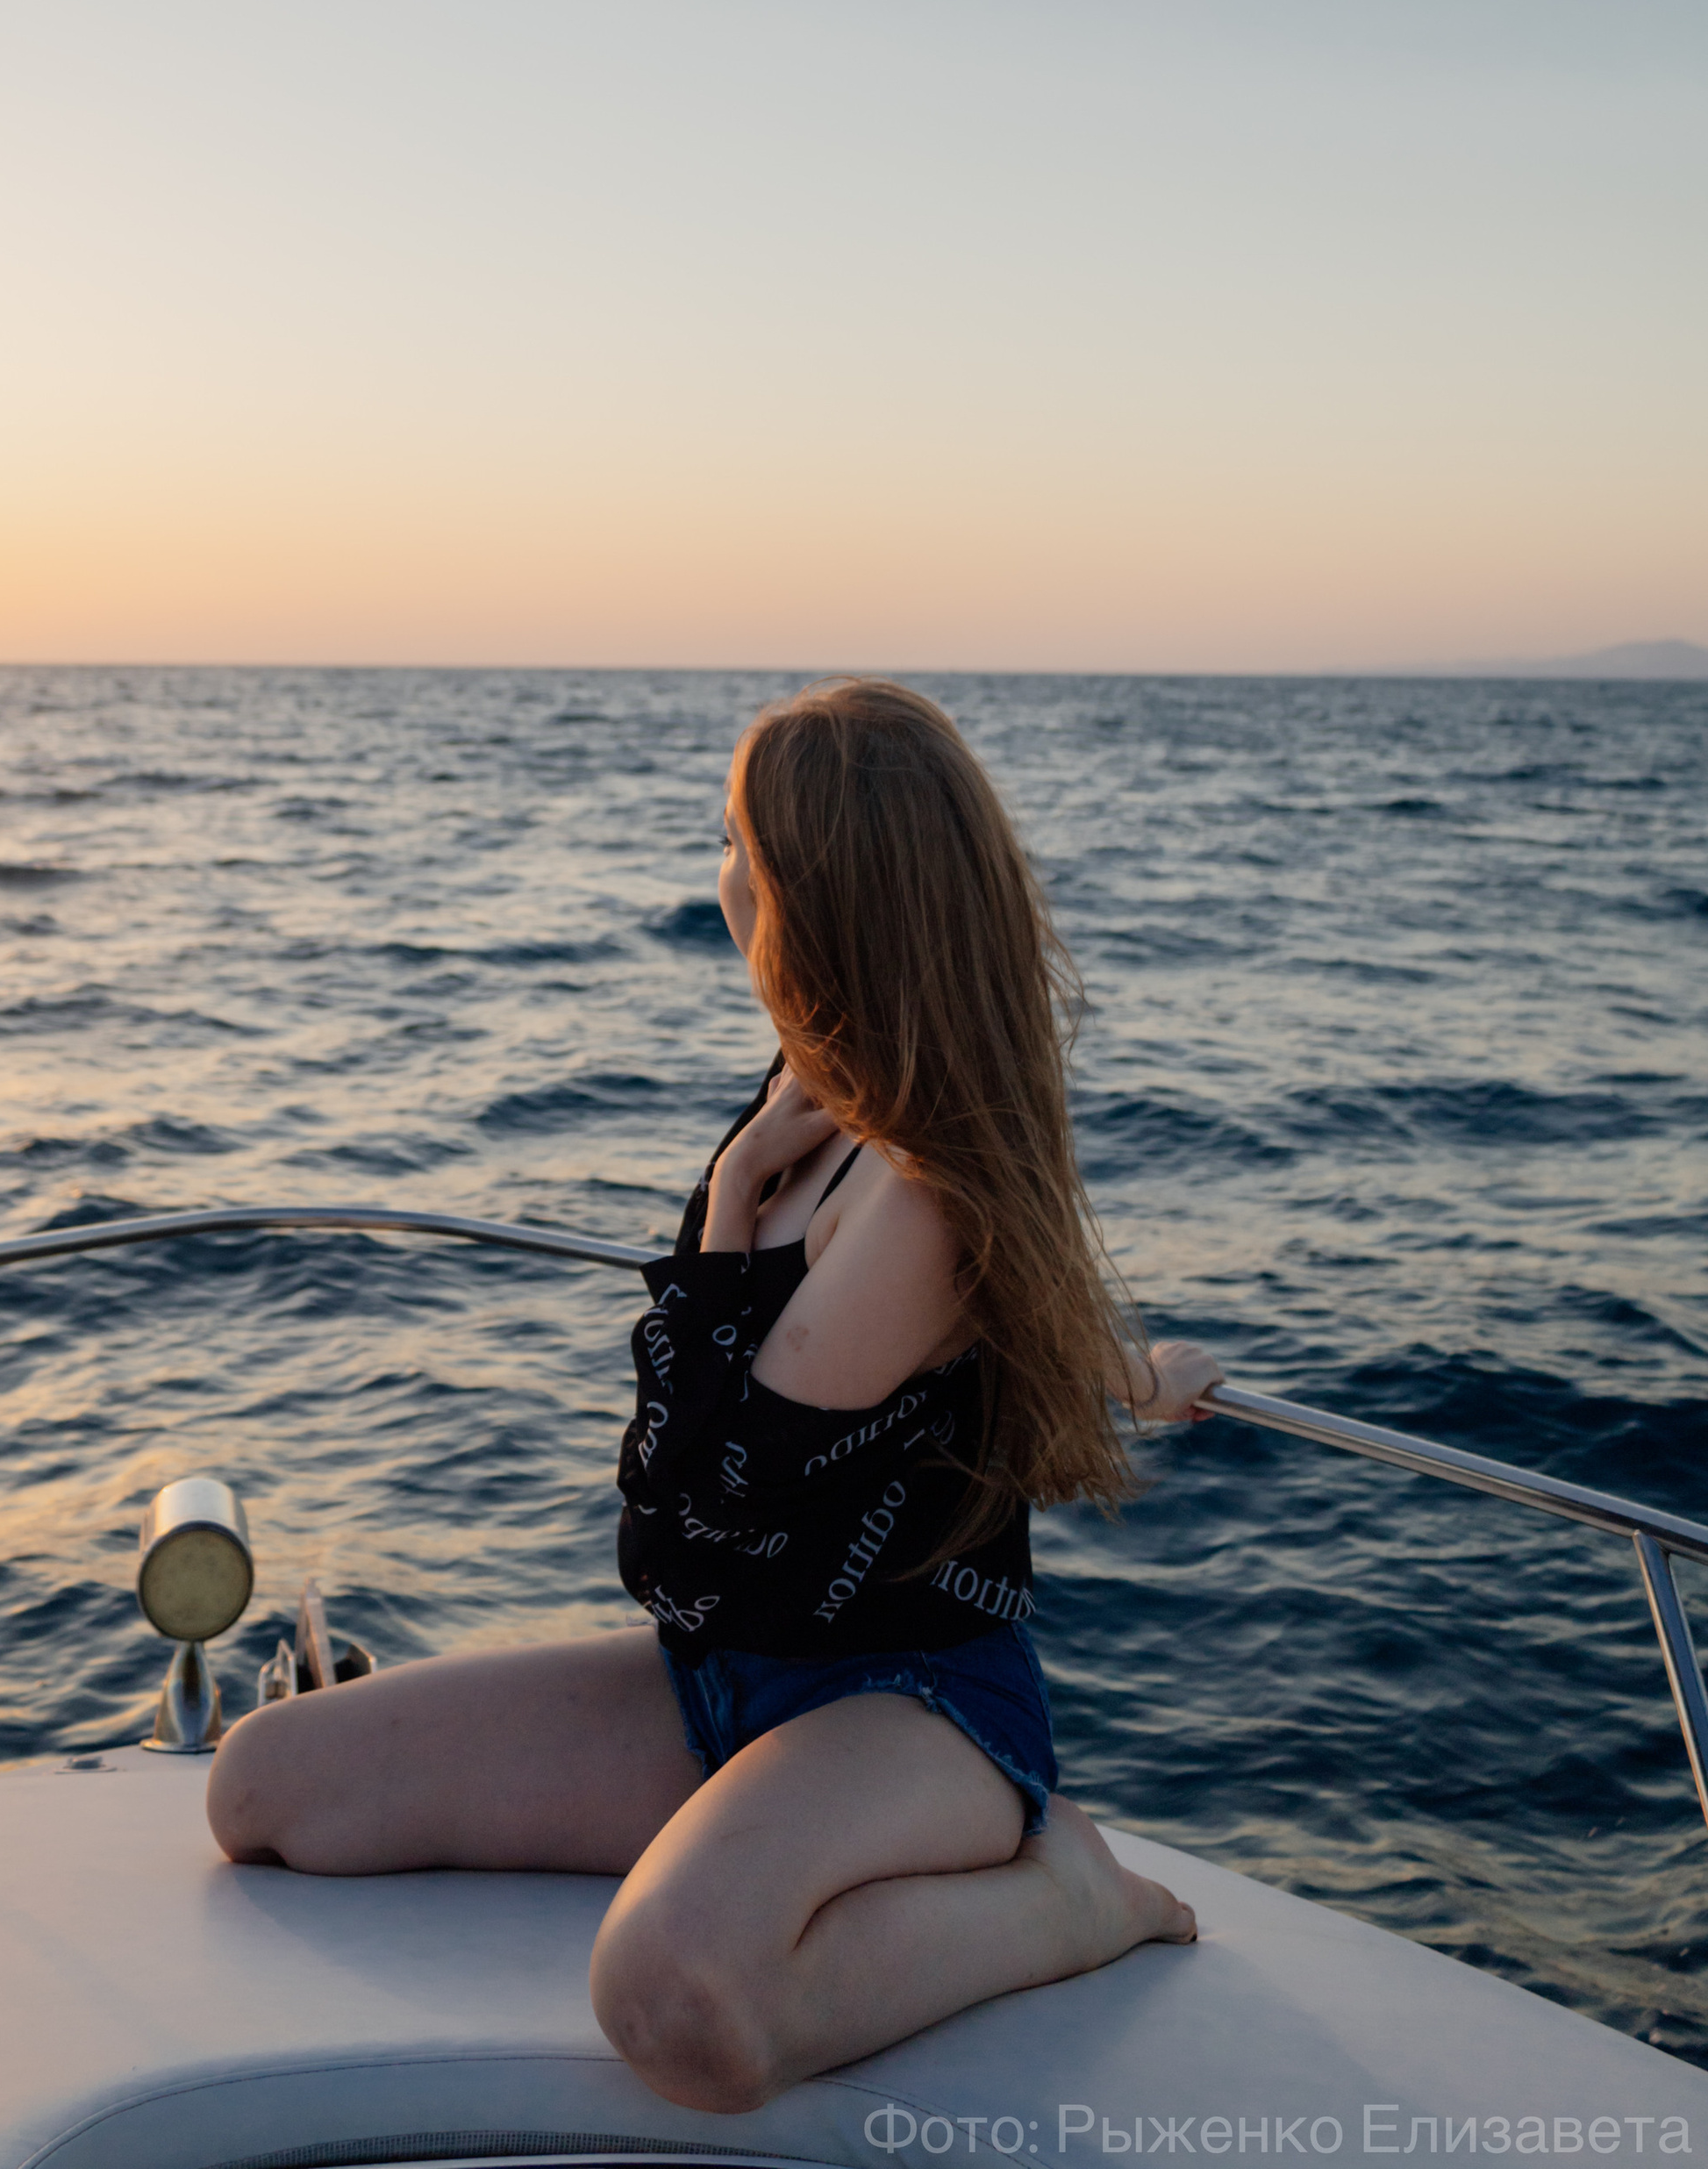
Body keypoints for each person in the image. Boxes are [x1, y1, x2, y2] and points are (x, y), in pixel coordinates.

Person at [210, 677, 1221, 2114]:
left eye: (742, 840)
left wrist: (730, 1203)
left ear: (820, 891)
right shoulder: (818, 1107)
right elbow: (883, 1382)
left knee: (680, 2000)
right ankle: (764, 1830)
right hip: (728, 1674)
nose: (722, 871)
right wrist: (1123, 1365)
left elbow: (690, 1510)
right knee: (266, 1793)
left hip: (910, 1704)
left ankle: (1071, 1900)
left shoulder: (918, 1192)